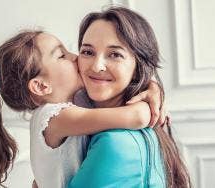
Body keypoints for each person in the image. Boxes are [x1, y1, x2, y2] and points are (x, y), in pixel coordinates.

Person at [0, 30, 164, 188]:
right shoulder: (54, 117)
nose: (76, 57)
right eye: (62, 55)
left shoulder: (72, 102)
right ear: (41, 86)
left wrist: (153, 87)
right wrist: (152, 100)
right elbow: (138, 117)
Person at [68, 7, 191, 188]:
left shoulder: (114, 144)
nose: (96, 66)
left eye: (115, 54)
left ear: (138, 67)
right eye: (87, 52)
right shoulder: (80, 103)